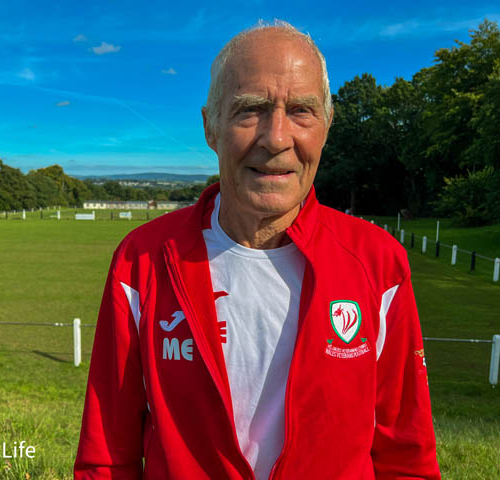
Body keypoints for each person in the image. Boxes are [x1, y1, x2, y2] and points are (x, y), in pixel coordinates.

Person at [75, 20, 440, 480]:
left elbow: (406, 456)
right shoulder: (142, 260)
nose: (276, 138)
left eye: (302, 111)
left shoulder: (378, 262)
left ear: (327, 125)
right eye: (250, 110)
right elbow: (106, 455)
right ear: (211, 127)